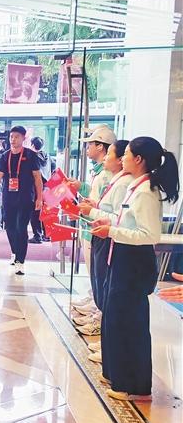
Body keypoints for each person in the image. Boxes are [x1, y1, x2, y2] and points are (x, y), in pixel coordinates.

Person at [90, 136, 178, 401]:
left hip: (134, 262)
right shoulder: (136, 185)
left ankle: (136, 386)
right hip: (122, 256)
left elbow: (148, 235)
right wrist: (108, 224)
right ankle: (118, 375)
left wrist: (112, 231)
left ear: (138, 159)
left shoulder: (146, 191)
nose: (122, 157)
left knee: (130, 323)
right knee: (116, 318)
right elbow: (126, 221)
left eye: (126, 153)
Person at [75, 140, 131, 349]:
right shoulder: (117, 179)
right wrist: (94, 207)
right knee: (100, 282)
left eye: (111, 154)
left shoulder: (126, 183)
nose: (107, 157)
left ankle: (108, 338)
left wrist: (93, 211)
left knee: (109, 289)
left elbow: (121, 219)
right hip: (103, 232)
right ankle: (107, 338)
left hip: (113, 240)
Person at [68, 124, 117, 320]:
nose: (87, 148)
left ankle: (99, 310)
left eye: (90, 144)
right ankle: (95, 300)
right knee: (94, 272)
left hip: (97, 228)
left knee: (99, 273)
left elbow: (105, 205)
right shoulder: (98, 171)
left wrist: (87, 208)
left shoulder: (107, 174)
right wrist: (82, 189)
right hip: (90, 225)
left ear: (101, 146)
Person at [0, 126, 43, 275]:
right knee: (10, 228)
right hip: (8, 198)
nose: (13, 139)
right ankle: (14, 251)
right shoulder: (5, 156)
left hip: (26, 198)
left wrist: (39, 198)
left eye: (16, 137)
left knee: (21, 228)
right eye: (11, 136)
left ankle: (20, 261)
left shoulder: (31, 155)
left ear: (23, 138)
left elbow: (37, 178)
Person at [28, 136, 51, 244]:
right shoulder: (47, 156)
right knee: (45, 212)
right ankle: (47, 235)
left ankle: (37, 236)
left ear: (32, 145)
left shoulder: (32, 157)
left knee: (35, 212)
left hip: (36, 187)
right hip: (48, 187)